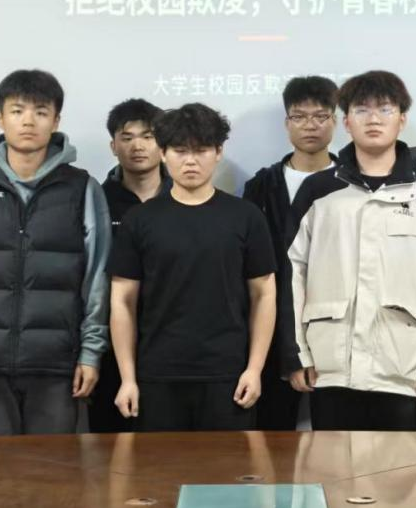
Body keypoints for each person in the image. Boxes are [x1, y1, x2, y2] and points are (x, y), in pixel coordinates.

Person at [0, 69, 110, 435]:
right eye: (17, 111)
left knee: (54, 468)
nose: (28, 121)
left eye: (41, 112)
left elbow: (97, 279)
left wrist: (91, 353)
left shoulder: (83, 189)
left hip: (57, 368)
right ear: (0, 118)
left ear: (56, 121)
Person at [281, 70, 416, 431]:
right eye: (362, 110)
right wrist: (294, 354)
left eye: (385, 109)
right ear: (347, 122)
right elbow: (292, 274)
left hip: (404, 367)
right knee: (330, 464)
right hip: (330, 366)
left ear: (402, 119)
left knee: (402, 466)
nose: (374, 119)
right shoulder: (318, 192)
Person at [110, 103, 277, 431]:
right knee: (158, 465)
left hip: (229, 376)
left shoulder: (245, 217)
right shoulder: (140, 220)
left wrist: (255, 369)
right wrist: (127, 378)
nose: (190, 160)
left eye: (201, 150)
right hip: (157, 375)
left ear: (218, 152)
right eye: (180, 150)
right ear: (163, 153)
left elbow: (264, 294)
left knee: (227, 464)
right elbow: (122, 301)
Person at [242, 75, 339, 429]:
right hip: (273, 326)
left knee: (338, 439)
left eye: (320, 116)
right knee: (273, 436)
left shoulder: (351, 182)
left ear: (335, 121)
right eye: (299, 116)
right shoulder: (261, 186)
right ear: (287, 123)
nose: (310, 125)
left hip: (337, 327)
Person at [88, 98, 170, 434]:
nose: (138, 146)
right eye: (127, 137)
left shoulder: (184, 196)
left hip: (168, 342)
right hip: (108, 343)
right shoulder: (95, 200)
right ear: (113, 146)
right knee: (111, 449)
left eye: (148, 136)